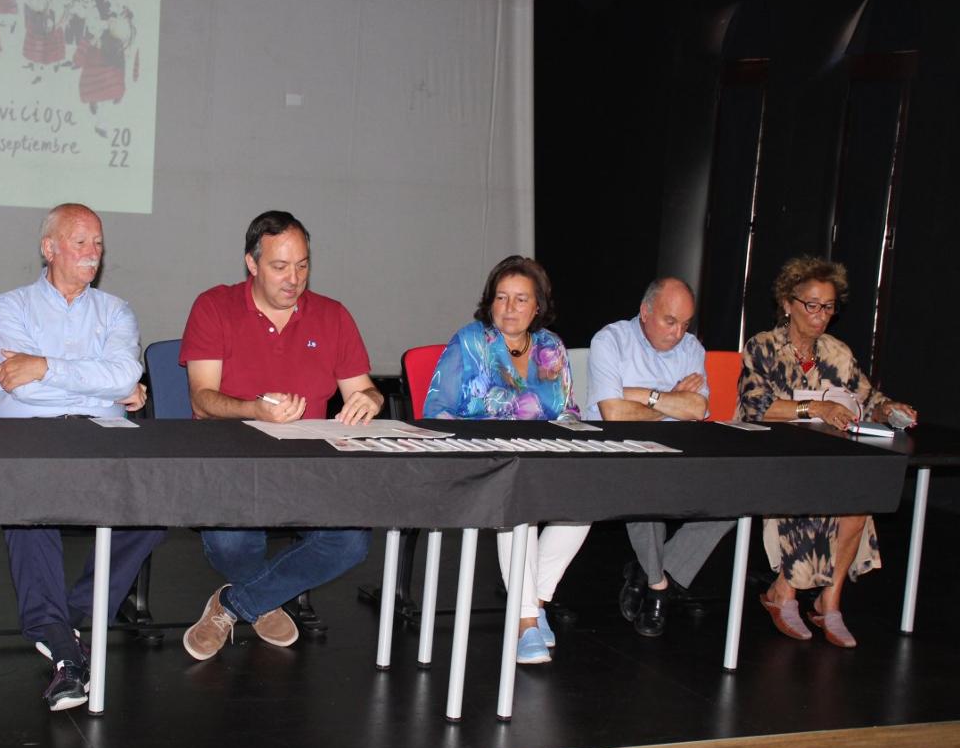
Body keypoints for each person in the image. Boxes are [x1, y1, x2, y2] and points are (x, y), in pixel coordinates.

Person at [0, 202, 165, 710]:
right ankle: (63, 643)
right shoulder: (9, 307)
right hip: (32, 437)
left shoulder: (115, 311)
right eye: (81, 243)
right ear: (49, 248)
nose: (93, 254)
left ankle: (72, 620)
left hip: (102, 433)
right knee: (27, 503)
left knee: (154, 501)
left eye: (98, 244)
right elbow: (23, 394)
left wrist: (45, 366)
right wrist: (94, 379)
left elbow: (124, 377)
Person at [179, 210, 382, 661]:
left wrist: (370, 400)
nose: (294, 279)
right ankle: (266, 600)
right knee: (233, 540)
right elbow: (201, 400)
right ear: (251, 264)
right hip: (232, 462)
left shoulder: (332, 315)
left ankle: (234, 604)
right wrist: (254, 409)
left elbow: (362, 388)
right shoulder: (214, 306)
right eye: (279, 266)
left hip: (310, 467)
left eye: (303, 265)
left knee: (351, 540)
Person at [736, 256, 917, 648]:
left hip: (828, 458)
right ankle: (783, 592)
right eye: (812, 305)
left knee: (858, 500)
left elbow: (869, 399)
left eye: (829, 307)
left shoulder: (838, 353)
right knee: (826, 489)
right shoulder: (763, 347)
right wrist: (814, 408)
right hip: (775, 457)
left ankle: (828, 601)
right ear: (788, 303)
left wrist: (891, 410)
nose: (821, 316)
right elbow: (754, 406)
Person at [422, 255, 584, 664]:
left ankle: (535, 601)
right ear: (490, 303)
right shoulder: (471, 341)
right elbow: (434, 408)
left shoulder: (552, 348)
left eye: (521, 299)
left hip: (539, 459)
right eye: (501, 298)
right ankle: (526, 623)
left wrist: (573, 436)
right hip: (481, 460)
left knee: (585, 505)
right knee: (518, 502)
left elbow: (568, 410)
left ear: (537, 306)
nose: (510, 308)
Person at [588, 277, 733, 637]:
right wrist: (670, 399)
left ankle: (651, 569)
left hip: (680, 451)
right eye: (670, 321)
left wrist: (642, 395)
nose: (678, 333)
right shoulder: (611, 340)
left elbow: (698, 408)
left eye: (686, 324)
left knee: (735, 498)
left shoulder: (692, 348)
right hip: (619, 451)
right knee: (649, 485)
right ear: (645, 311)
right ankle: (657, 586)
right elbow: (615, 415)